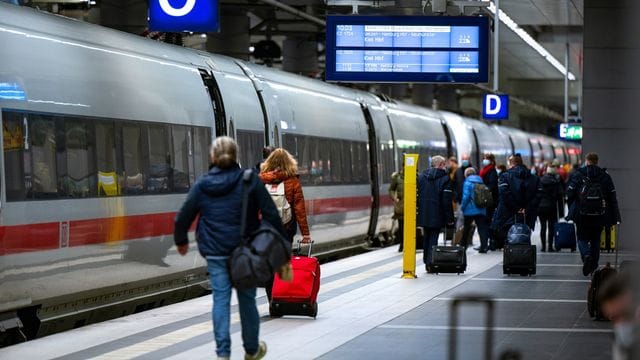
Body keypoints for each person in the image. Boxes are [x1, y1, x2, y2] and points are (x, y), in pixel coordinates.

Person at [174, 136, 281, 360]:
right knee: (247, 300)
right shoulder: (250, 180)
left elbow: (183, 216)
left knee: (220, 300)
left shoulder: (202, 184)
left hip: (215, 252)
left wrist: (181, 240)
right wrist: (280, 249)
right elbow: (271, 214)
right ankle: (252, 350)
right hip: (245, 252)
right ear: (235, 156)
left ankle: (223, 353)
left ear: (213, 157)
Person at [259, 148, 311, 300]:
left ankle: (272, 300)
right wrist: (305, 233)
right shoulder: (293, 181)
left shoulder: (261, 180)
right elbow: (299, 209)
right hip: (286, 229)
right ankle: (283, 297)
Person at [566, 152, 621, 276]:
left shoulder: (579, 174)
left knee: (582, 238)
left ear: (587, 161)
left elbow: (569, 193)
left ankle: (586, 256)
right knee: (596, 240)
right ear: (597, 161)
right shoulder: (605, 176)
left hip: (582, 214)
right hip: (599, 214)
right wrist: (616, 216)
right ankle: (594, 265)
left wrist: (572, 208)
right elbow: (612, 197)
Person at [491, 154, 543, 250]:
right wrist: (526, 208)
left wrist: (516, 208)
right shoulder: (534, 178)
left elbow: (505, 195)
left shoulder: (504, 177)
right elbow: (538, 195)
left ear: (511, 164)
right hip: (527, 215)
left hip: (508, 214)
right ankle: (525, 259)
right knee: (524, 237)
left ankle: (511, 260)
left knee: (510, 239)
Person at [417, 155, 454, 272]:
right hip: (437, 213)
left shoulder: (422, 177)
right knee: (434, 237)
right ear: (441, 165)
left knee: (427, 237)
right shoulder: (445, 178)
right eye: (444, 165)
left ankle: (426, 260)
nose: (445, 167)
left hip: (424, 213)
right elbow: (446, 201)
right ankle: (430, 263)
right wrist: (450, 218)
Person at [460, 168, 490, 252]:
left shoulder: (467, 182)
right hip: (481, 208)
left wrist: (462, 207)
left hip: (469, 210)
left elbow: (466, 197)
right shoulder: (481, 181)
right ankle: (484, 247)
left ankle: (463, 247)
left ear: (466, 175)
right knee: (482, 228)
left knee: (466, 228)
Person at [537, 166, 564, 252]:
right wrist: (561, 212)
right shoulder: (556, 182)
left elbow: (536, 195)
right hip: (552, 207)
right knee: (551, 227)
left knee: (543, 227)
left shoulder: (540, 180)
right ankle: (550, 247)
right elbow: (560, 198)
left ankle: (543, 247)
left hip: (541, 207)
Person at [479, 154, 499, 251]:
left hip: (489, 201)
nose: (484, 161)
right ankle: (485, 243)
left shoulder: (492, 171)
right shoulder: (485, 170)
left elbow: (492, 185)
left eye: (486, 159)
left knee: (488, 222)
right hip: (485, 200)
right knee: (486, 222)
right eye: (484, 159)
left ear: (491, 161)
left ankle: (490, 243)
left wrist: (483, 190)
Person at [389, 168, 404, 252]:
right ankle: (402, 244)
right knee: (401, 226)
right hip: (401, 207)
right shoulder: (397, 178)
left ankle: (411, 244)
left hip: (413, 206)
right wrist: (394, 198)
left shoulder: (416, 176)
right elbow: (391, 189)